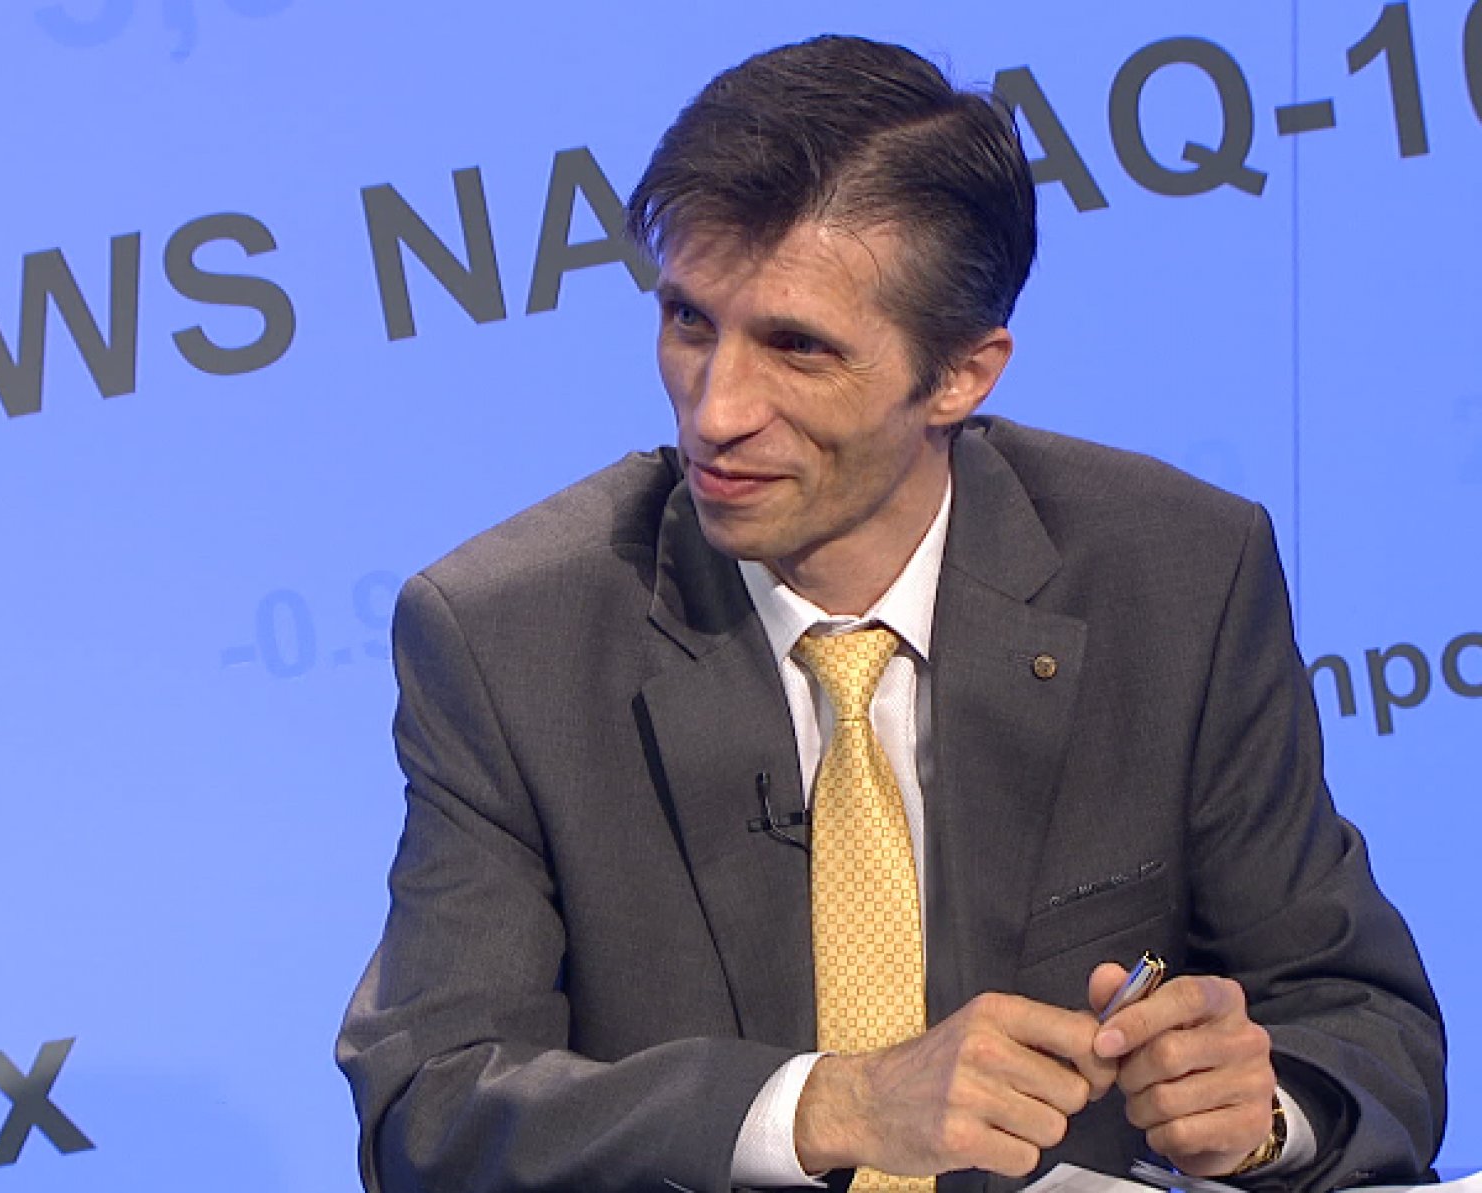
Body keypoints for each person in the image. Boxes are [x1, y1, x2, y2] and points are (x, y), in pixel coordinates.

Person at [335, 34, 1445, 1193]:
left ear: (963, 373)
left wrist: (1261, 1113)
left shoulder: (1176, 575)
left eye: (796, 347)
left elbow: (1361, 1019)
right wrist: (827, 1106)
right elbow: (432, 1105)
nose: (716, 412)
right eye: (690, 321)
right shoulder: (509, 637)